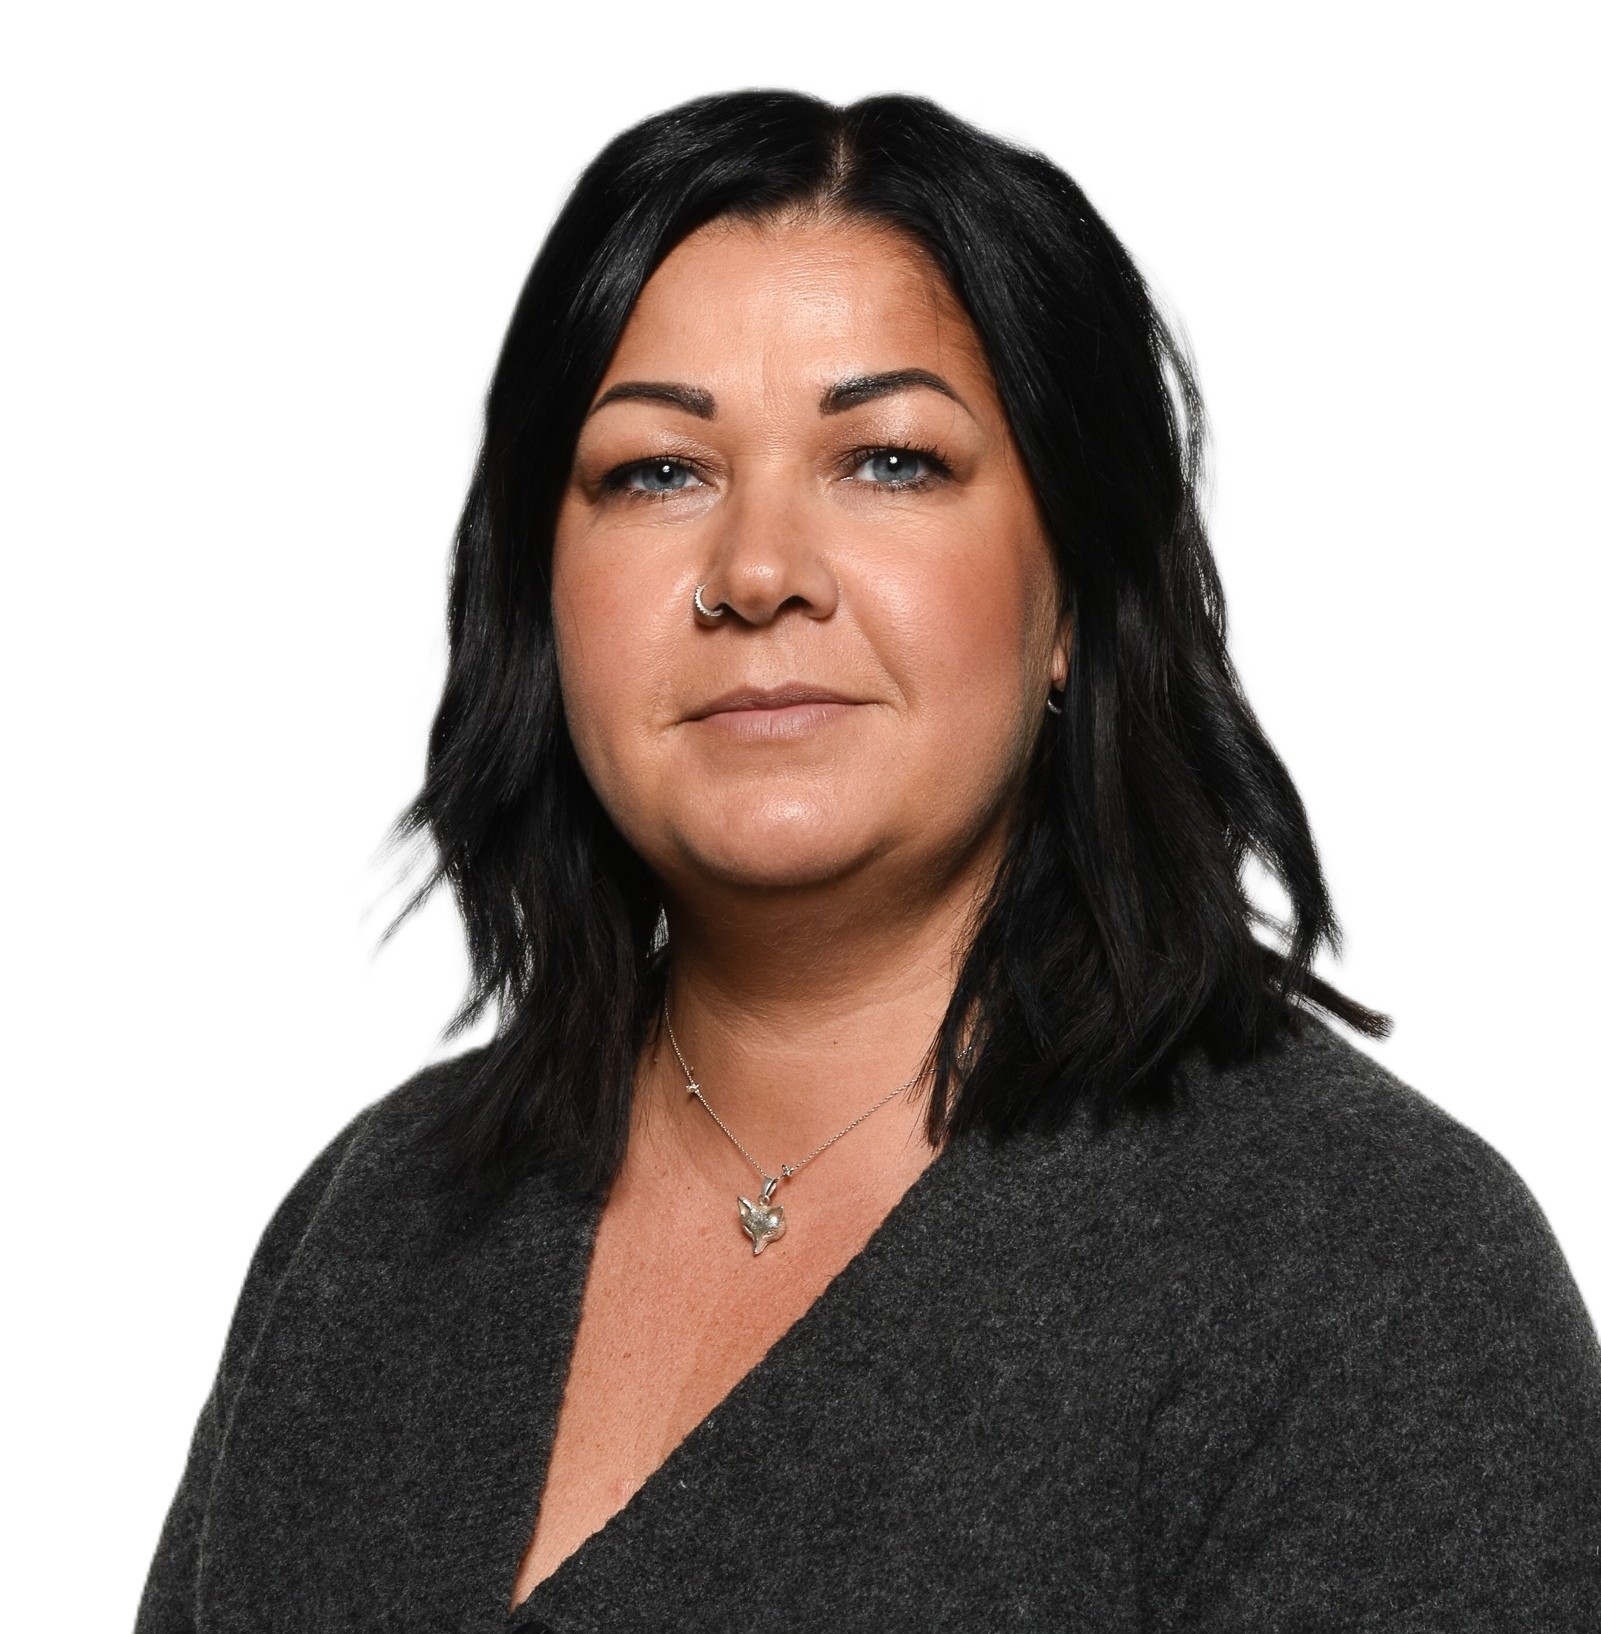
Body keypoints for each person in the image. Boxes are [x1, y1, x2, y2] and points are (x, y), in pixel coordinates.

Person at [134, 90, 1601, 1633]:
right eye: (656, 470)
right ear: (540, 592)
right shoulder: (374, 1223)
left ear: (1077, 591)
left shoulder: (1367, 1277)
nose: (757, 570)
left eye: (889, 460)